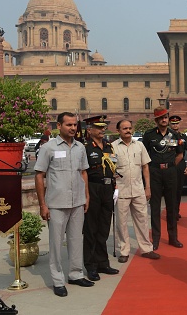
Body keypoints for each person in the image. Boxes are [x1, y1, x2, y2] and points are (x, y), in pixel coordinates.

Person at [34, 112, 94, 297]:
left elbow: (83, 172)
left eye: (75, 125)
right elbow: (39, 175)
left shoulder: (80, 148)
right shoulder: (48, 148)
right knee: (56, 243)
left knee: (76, 240)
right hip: (56, 204)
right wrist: (43, 205)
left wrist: (86, 196)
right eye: (69, 125)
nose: (73, 128)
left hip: (77, 202)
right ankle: (58, 280)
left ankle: (75, 274)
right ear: (58, 126)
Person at [112, 119, 160, 263]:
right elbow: (111, 169)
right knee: (121, 222)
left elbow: (145, 167)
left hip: (139, 189)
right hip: (121, 189)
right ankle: (124, 250)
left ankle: (146, 249)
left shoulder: (139, 146)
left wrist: (148, 187)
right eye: (124, 128)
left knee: (142, 220)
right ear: (118, 131)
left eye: (129, 128)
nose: (128, 130)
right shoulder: (113, 147)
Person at [82, 115, 120, 281]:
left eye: (103, 127)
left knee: (104, 226)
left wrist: (115, 183)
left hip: (107, 187)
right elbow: (82, 172)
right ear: (89, 130)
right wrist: (85, 194)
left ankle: (102, 262)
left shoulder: (109, 146)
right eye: (99, 127)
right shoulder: (85, 147)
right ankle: (90, 265)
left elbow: (113, 165)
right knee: (91, 228)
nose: (103, 130)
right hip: (93, 186)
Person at [142, 106, 184, 249]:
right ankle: (156, 239)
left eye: (166, 117)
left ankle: (173, 238)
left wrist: (171, 165)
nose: (164, 120)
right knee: (155, 207)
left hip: (170, 172)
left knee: (172, 206)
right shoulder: (149, 135)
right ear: (156, 120)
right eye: (161, 118)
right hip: (154, 172)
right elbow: (144, 155)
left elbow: (180, 154)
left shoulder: (174, 135)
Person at [169, 115, 187, 220]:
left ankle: (176, 211)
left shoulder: (183, 136)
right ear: (170, 124)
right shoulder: (167, 136)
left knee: (178, 190)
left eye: (177, 123)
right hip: (170, 164)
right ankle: (171, 211)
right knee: (170, 190)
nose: (175, 125)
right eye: (173, 124)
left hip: (181, 165)